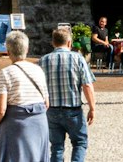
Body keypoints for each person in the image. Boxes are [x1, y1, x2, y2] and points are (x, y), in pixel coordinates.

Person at [0, 28, 50, 162]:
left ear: (8, 51)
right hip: (39, 122)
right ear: (27, 49)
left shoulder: (6, 72)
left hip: (16, 123)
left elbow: (1, 109)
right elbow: (46, 102)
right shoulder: (38, 70)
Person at [40, 24, 94, 162]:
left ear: (53, 43)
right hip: (73, 110)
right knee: (80, 143)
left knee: (57, 147)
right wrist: (92, 107)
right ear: (69, 42)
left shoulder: (43, 61)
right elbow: (87, 85)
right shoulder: (78, 58)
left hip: (51, 110)